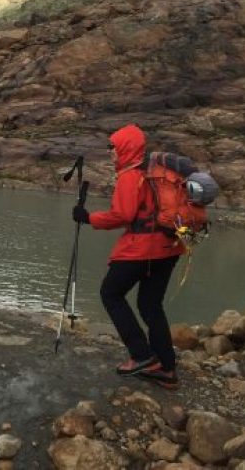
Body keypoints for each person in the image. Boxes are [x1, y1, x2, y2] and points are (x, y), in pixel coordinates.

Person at [73, 124, 182, 388]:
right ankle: (166, 368)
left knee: (110, 293)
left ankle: (141, 356)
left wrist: (88, 218)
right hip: (170, 247)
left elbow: (123, 215)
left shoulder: (130, 176)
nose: (110, 152)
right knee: (150, 304)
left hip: (143, 248)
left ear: (125, 148)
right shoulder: (154, 173)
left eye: (113, 146)